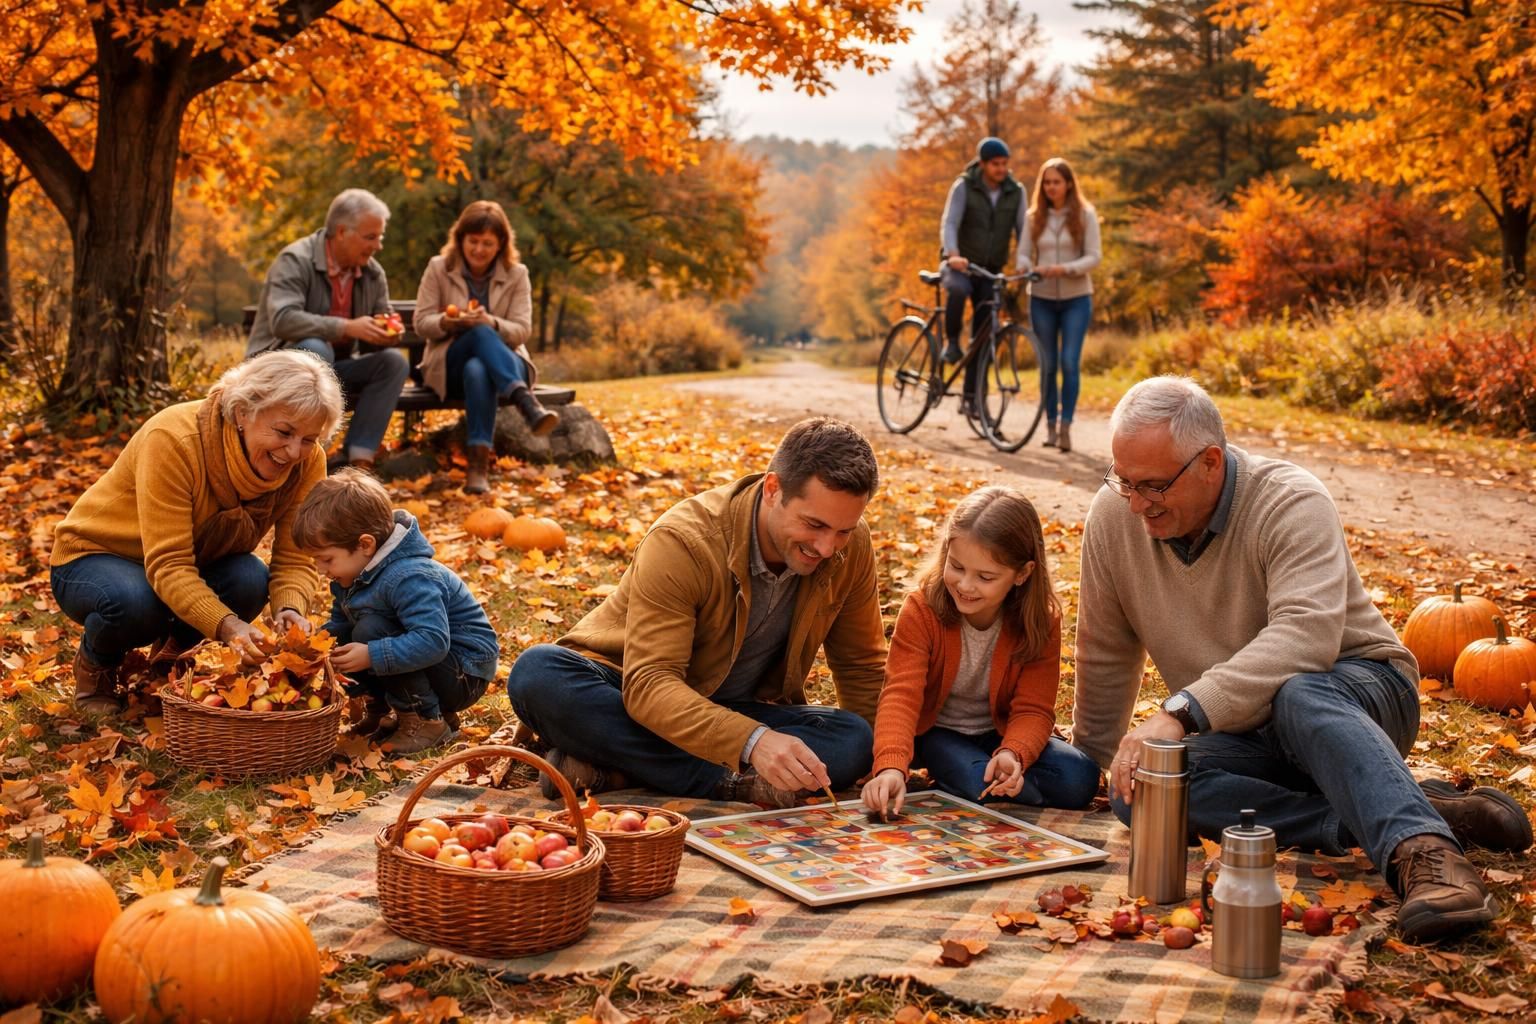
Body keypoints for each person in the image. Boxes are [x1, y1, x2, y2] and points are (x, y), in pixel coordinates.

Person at [1071, 376, 1532, 944]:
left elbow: (1305, 640)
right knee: (1142, 788)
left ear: (1211, 462)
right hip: (1247, 728)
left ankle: (1428, 856)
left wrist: (1182, 710)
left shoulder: (1290, 499)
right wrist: (1090, 764)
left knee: (1299, 693)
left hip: (1358, 695)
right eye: (1124, 480)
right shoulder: (1115, 517)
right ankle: (1375, 813)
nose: (1137, 503)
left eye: (1155, 485)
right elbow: (1105, 649)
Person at [506, 417, 887, 807]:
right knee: (538, 674)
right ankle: (728, 783)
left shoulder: (850, 547)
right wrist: (753, 743)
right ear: (773, 489)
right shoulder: (683, 541)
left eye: (842, 530)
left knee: (853, 737)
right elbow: (651, 684)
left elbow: (862, 666)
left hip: (732, 710)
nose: (826, 547)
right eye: (814, 525)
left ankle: (621, 768)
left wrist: (887, 762)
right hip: (629, 692)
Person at [50, 351, 343, 712]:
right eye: (284, 432)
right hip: (96, 557)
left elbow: (294, 554)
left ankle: (170, 657)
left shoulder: (307, 461)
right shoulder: (175, 439)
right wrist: (227, 626)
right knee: (136, 603)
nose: (294, 451)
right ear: (243, 413)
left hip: (193, 560)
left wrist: (291, 610)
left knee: (250, 578)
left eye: (309, 439)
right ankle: (97, 664)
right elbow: (169, 564)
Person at [863, 486, 1100, 818]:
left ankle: (1000, 787)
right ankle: (991, 786)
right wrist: (890, 766)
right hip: (938, 733)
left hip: (999, 732)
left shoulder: (1040, 620)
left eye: (985, 577)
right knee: (978, 779)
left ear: (1022, 574)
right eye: (956, 567)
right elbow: (900, 696)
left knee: (1080, 779)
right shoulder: (922, 610)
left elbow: (1034, 708)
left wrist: (1014, 755)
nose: (965, 585)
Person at [291, 468, 499, 754]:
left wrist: (371, 654)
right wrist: (314, 643)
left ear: (365, 544)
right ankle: (385, 710)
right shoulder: (351, 575)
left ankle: (426, 720)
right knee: (351, 635)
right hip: (439, 665)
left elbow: (433, 641)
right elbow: (340, 624)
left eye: (326, 559)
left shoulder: (409, 576)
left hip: (464, 672)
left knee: (369, 632)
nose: (321, 569)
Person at [246, 188, 410, 474]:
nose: (378, 246)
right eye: (371, 237)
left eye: (379, 237)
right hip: (280, 372)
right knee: (316, 348)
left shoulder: (372, 273)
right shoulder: (295, 260)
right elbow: (283, 319)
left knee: (393, 362)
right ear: (343, 231)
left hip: (333, 371)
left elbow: (379, 326)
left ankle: (357, 461)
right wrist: (346, 327)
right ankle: (308, 460)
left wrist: (385, 334)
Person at [414, 200, 559, 494]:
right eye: (473, 241)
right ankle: (526, 402)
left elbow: (522, 330)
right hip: (449, 364)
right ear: (461, 239)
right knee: (475, 342)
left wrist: (491, 322)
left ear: (501, 244)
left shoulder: (517, 274)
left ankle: (477, 467)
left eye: (488, 243)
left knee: (479, 365)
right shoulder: (439, 268)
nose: (479, 250)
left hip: (505, 361)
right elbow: (420, 323)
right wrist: (449, 321)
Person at [1018, 158, 1101, 454]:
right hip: (1040, 298)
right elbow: (1023, 255)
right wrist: (1031, 267)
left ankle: (1066, 425)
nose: (1051, 187)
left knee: (1069, 362)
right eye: (1047, 182)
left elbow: (1094, 257)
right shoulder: (1032, 217)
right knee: (1048, 365)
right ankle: (1050, 425)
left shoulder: (1085, 214)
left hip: (1076, 298)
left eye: (1057, 181)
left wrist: (1064, 269)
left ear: (1068, 184)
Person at [939, 136, 1027, 412]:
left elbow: (1023, 229)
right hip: (961, 265)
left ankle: (972, 399)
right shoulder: (964, 186)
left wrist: (1024, 260)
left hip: (991, 271)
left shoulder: (1016, 191)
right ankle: (951, 342)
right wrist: (952, 253)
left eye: (1004, 164)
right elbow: (950, 222)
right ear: (983, 164)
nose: (1001, 169)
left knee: (985, 334)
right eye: (996, 164)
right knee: (958, 289)